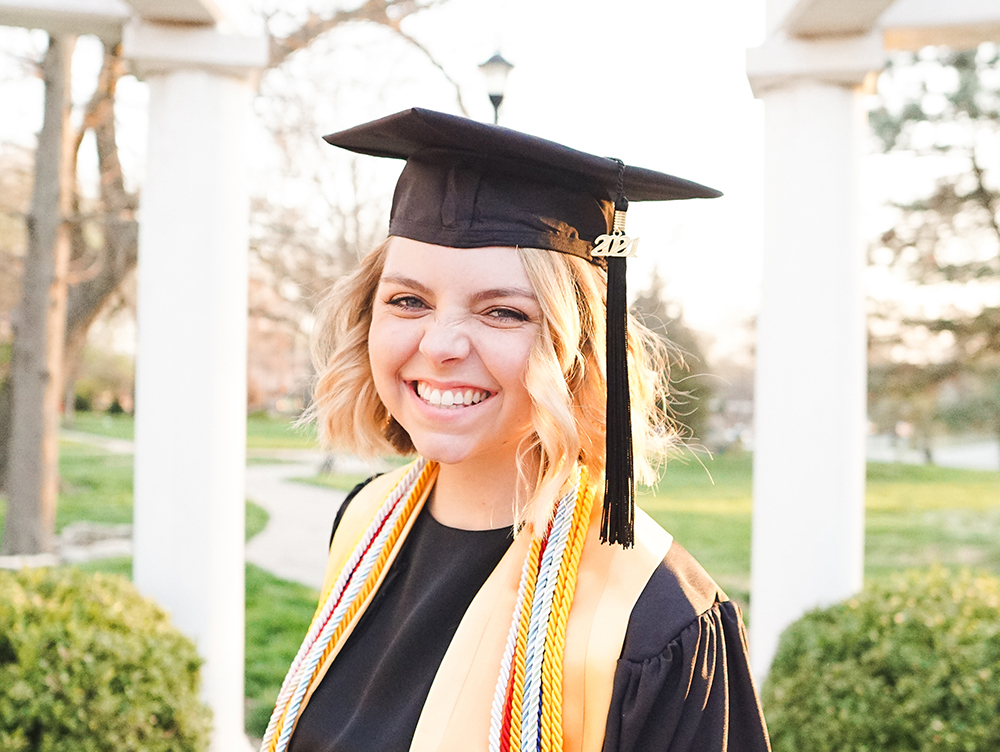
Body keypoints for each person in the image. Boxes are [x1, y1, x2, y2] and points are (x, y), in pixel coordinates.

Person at [262, 108, 771, 752]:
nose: (440, 345)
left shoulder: (657, 620)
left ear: (578, 347)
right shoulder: (363, 523)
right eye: (408, 300)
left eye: (503, 311)